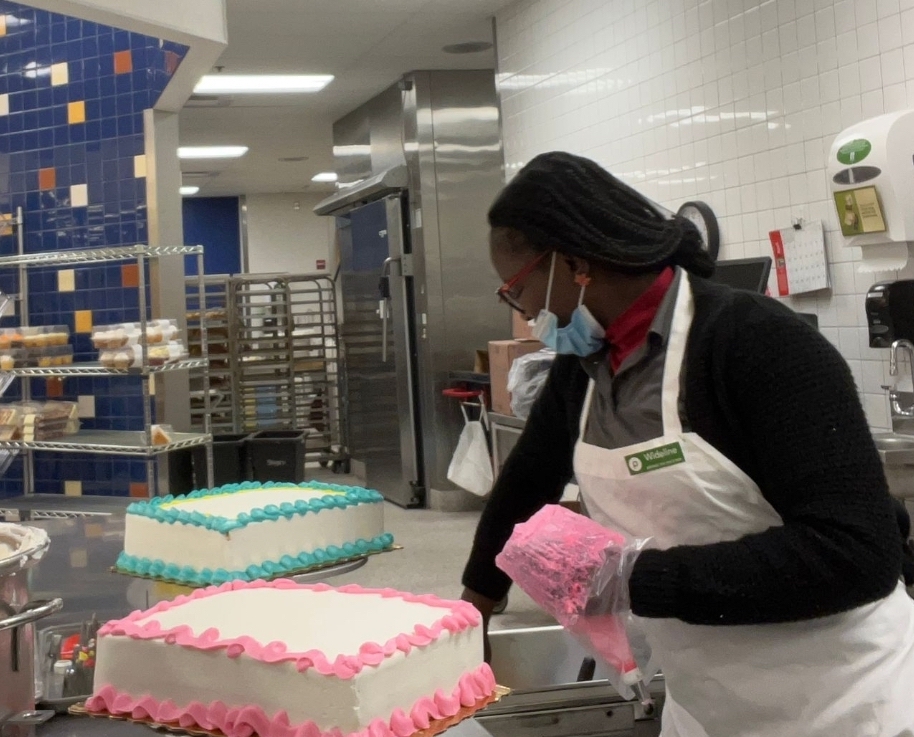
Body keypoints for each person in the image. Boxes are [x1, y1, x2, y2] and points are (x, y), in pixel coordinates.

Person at [461, 151, 914, 737]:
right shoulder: (588, 365)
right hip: (707, 700)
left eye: (518, 292)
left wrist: (632, 580)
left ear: (573, 264)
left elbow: (856, 555)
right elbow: (527, 482)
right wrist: (474, 608)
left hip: (841, 699)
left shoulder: (756, 343)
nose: (525, 314)